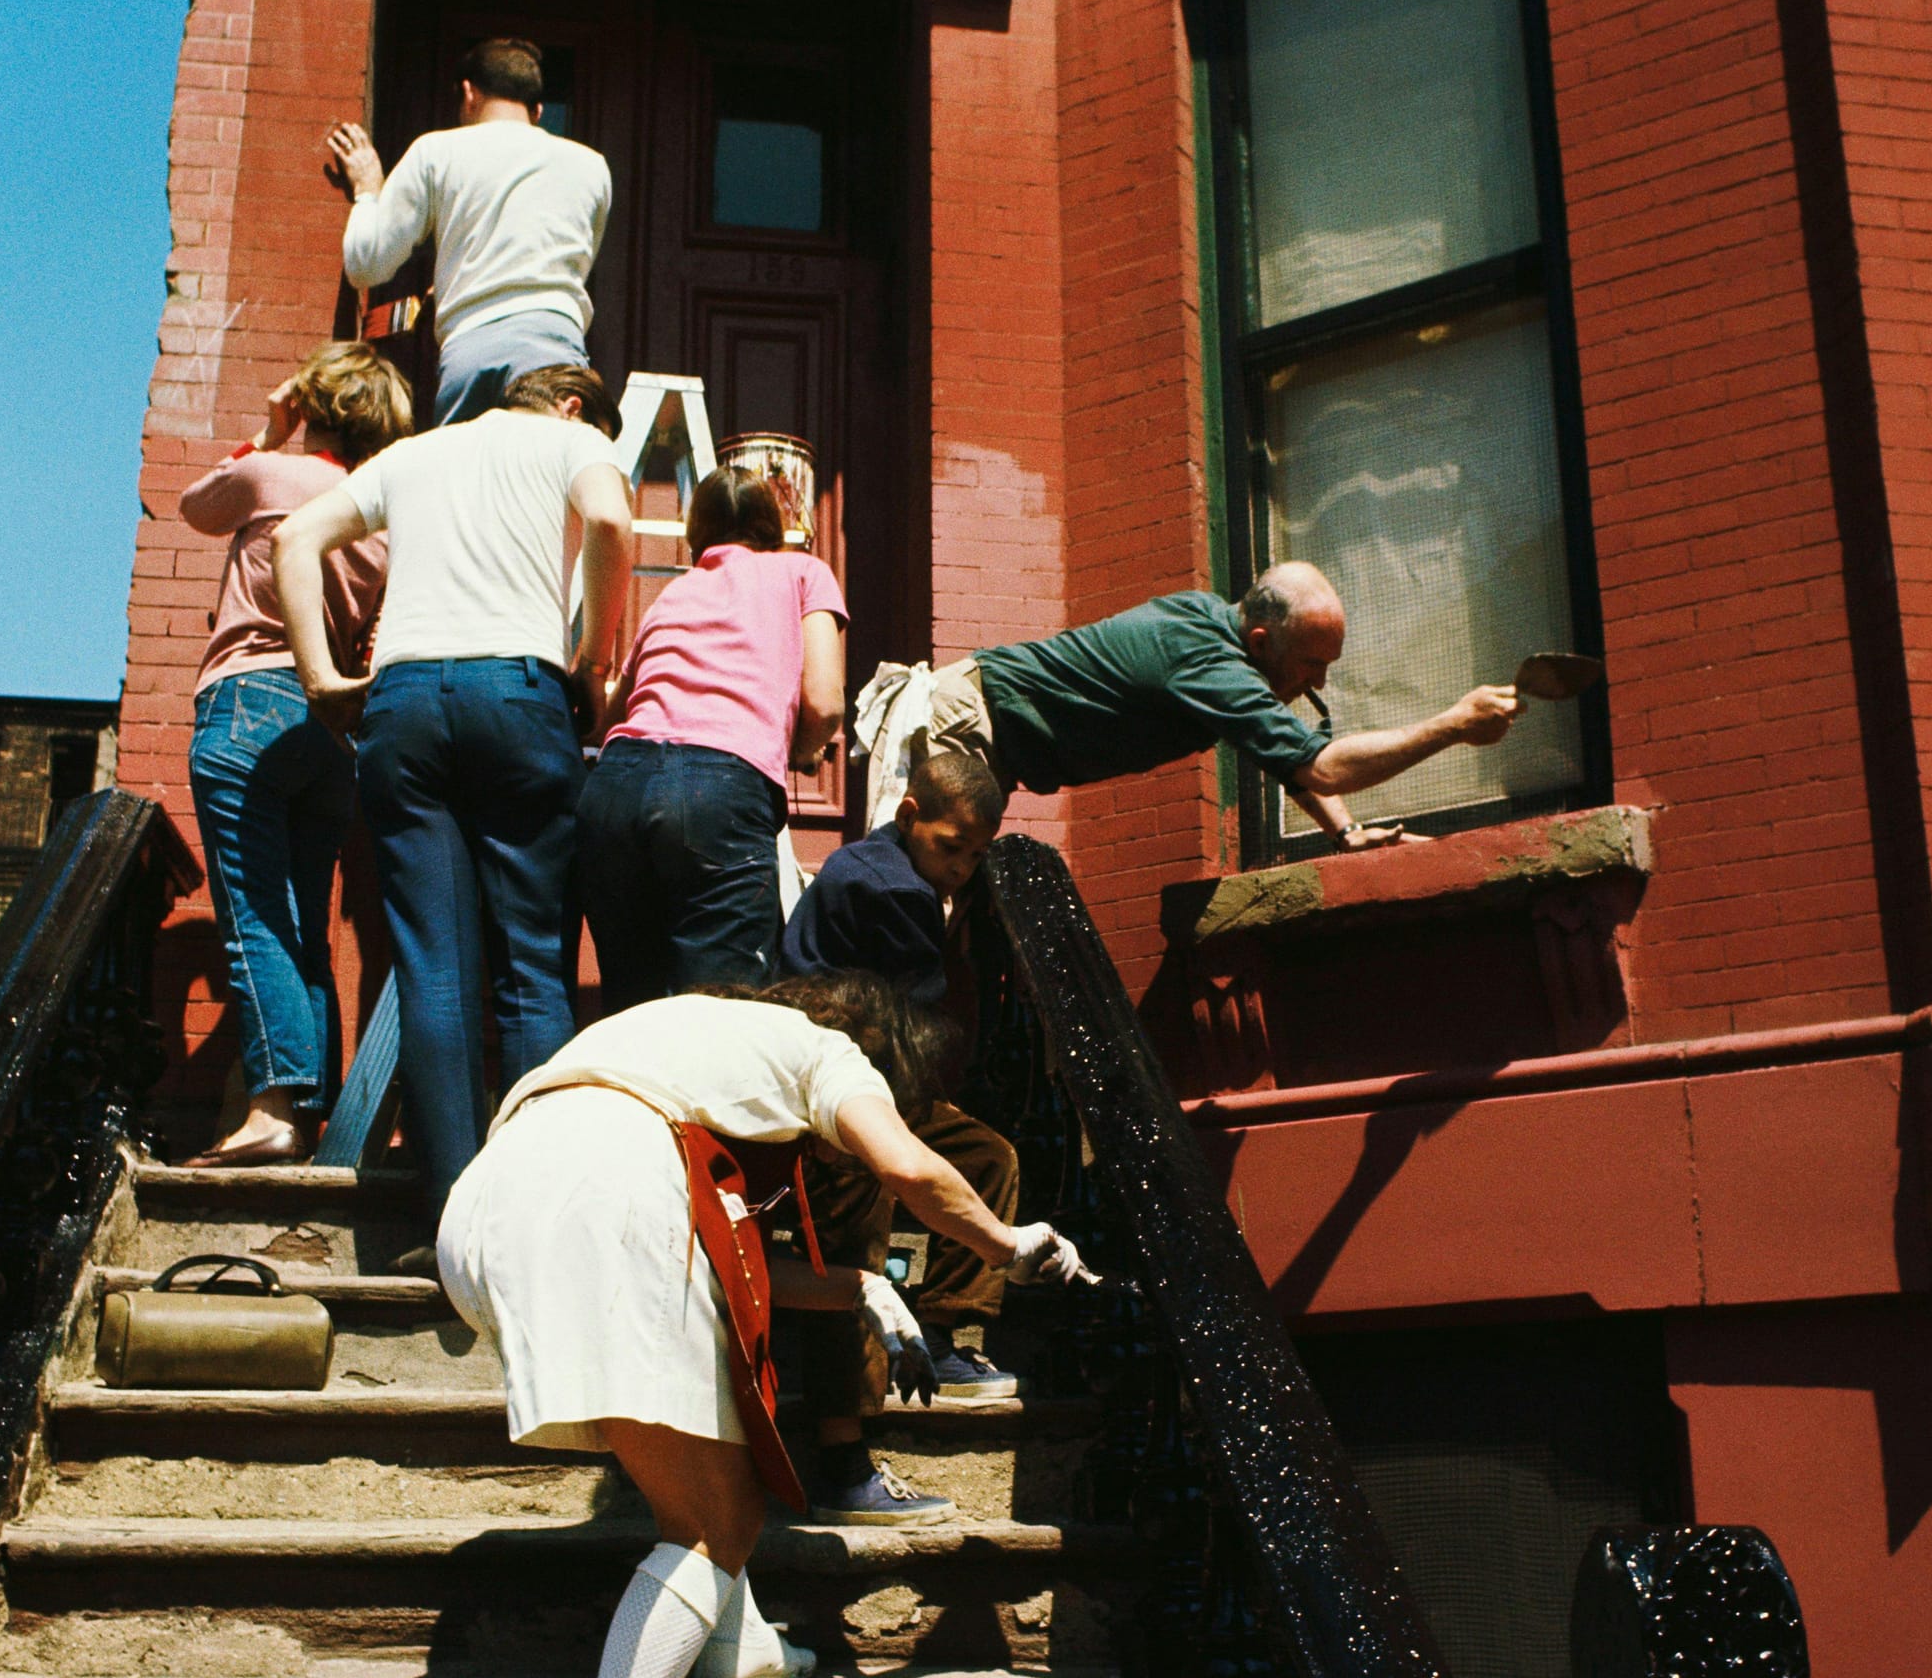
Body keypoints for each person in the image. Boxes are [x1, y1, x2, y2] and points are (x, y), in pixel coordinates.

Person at [435, 972, 1092, 1678]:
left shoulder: (664, 1029)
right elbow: (909, 1168)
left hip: (488, 1207)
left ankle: (728, 1647)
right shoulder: (827, 1050)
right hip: (601, 1201)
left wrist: (863, 1288)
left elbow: (726, 1257)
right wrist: (1003, 1243)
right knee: (714, 1518)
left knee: (710, 1458)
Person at [272, 363, 636, 1228]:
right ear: (575, 404)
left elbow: (294, 538)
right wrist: (591, 660)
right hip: (516, 691)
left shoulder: (415, 454)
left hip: (401, 703)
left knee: (433, 966)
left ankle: (452, 1218)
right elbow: (615, 521)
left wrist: (321, 674)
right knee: (530, 965)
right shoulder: (572, 440)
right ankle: (526, 1215)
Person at [179, 343, 411, 1166]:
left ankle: (275, 1107)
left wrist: (269, 432)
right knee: (304, 923)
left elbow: (194, 506)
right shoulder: (380, 515)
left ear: (317, 405)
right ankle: (312, 1111)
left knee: (253, 918)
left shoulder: (276, 476)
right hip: (332, 725)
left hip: (249, 698)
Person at [874, 564, 1523, 847]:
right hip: (965, 719)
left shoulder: (1209, 621)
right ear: (1263, 641)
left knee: (946, 901)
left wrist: (1345, 832)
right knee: (923, 893)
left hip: (987, 726)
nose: (1318, 683)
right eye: (1311, 665)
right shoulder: (1211, 665)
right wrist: (1453, 725)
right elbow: (1317, 765)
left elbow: (1288, 759)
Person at [784, 752, 1025, 1480]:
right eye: (951, 849)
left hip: (875, 1081)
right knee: (860, 1235)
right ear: (910, 815)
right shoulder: (895, 891)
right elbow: (918, 1019)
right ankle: (843, 1452)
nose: (962, 868)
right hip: (835, 1095)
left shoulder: (868, 864)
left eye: (977, 855)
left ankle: (945, 1329)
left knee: (988, 1158)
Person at [577, 465, 845, 1011]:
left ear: (695, 531)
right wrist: (798, 748)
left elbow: (608, 715)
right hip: (720, 787)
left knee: (633, 1010)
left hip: (617, 786)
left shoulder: (673, 595)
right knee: (723, 1011)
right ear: (772, 525)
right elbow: (825, 702)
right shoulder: (803, 571)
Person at [329, 36, 612, 427]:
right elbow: (577, 264)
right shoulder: (592, 167)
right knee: (544, 479)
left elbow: (366, 265)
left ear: (468, 93)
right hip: (554, 343)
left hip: (472, 344)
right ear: (538, 110)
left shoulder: (436, 152)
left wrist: (367, 192)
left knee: (466, 482)